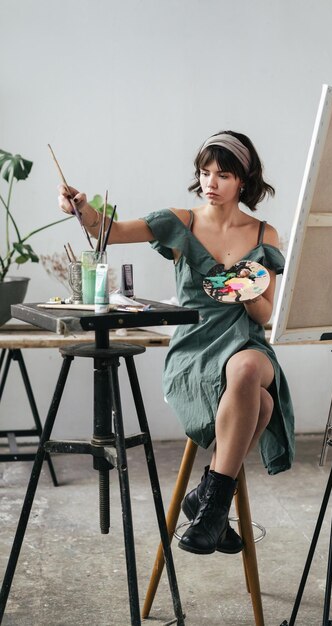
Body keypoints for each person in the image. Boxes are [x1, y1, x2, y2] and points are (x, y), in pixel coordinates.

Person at [58, 130, 295, 556]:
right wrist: (81, 209)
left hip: (246, 343)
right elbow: (106, 231)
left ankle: (209, 509)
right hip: (195, 348)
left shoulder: (264, 235)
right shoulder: (179, 222)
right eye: (205, 172)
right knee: (262, 404)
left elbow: (264, 316)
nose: (211, 182)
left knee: (245, 370)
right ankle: (211, 501)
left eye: (223, 174)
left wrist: (243, 286)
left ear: (243, 180)